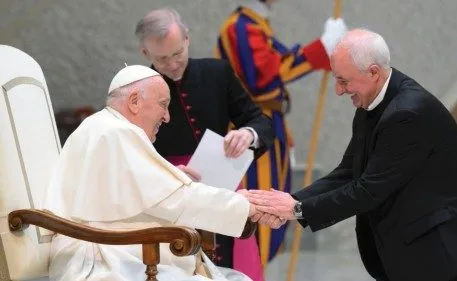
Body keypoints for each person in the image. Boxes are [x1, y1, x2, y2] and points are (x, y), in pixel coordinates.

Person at [244, 29, 457, 281]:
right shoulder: (373, 101)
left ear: (373, 72)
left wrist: (297, 209)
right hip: (408, 250)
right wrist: (289, 201)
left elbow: (368, 190)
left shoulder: (407, 113)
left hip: (435, 255)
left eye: (343, 81)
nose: (338, 91)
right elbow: (348, 171)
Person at [44, 65, 257, 281]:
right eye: (163, 105)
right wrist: (241, 204)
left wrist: (169, 178)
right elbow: (175, 199)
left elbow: (123, 197)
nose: (167, 117)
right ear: (134, 101)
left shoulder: (101, 126)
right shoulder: (118, 132)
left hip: (113, 250)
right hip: (104, 259)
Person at [135, 7, 274, 281]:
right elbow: (132, 153)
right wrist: (166, 175)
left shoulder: (217, 72)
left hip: (225, 188)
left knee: (237, 264)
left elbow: (259, 120)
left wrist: (248, 133)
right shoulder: (137, 90)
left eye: (178, 53)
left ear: (186, 39)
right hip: (171, 197)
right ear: (145, 54)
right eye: (162, 59)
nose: (173, 64)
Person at [215, 0, 348, 267]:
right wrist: (321, 48)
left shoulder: (255, 23)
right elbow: (265, 77)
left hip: (270, 125)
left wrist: (323, 48)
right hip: (252, 130)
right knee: (259, 211)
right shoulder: (239, 27)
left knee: (273, 209)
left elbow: (277, 62)